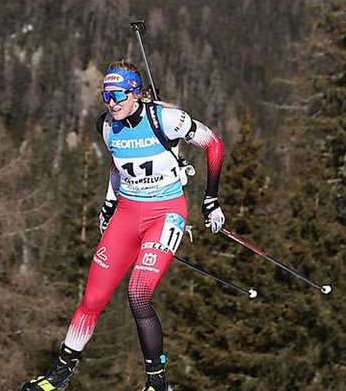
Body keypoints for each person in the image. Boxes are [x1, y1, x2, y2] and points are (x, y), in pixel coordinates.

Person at [20, 61, 226, 391]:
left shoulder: (167, 119)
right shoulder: (106, 126)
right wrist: (108, 206)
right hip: (127, 215)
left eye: (117, 95)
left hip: (166, 214)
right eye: (105, 96)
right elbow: (117, 170)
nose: (111, 103)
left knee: (138, 292)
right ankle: (60, 374)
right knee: (92, 298)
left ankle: (157, 383)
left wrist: (211, 200)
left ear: (135, 94)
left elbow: (213, 144)